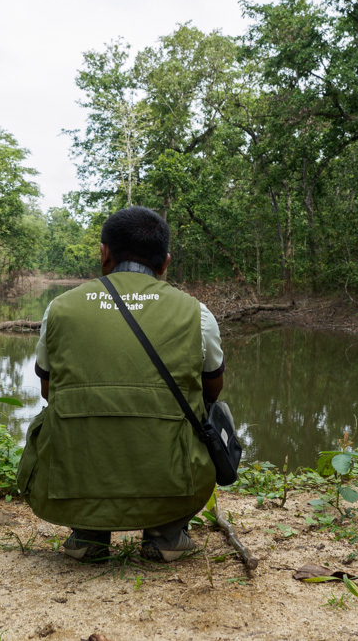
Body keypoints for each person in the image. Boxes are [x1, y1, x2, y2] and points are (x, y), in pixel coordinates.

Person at [16, 206, 225, 561]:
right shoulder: (196, 313)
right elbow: (212, 392)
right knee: (208, 414)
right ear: (165, 262)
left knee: (60, 411)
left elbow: (50, 392)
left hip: (75, 471)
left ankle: (87, 533)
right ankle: (166, 534)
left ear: (104, 253)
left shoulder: (60, 308)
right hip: (170, 470)